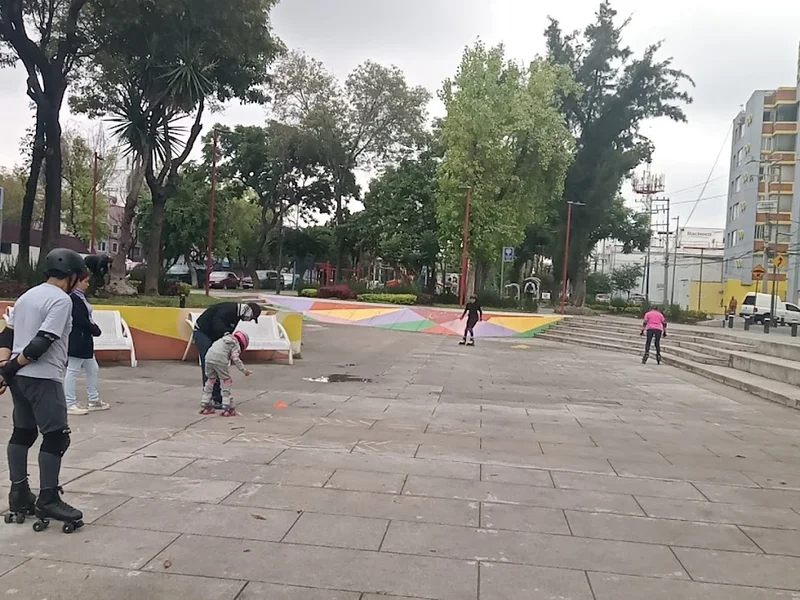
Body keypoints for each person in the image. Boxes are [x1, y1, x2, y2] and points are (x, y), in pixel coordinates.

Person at [2, 248, 87, 532]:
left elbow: (7, 333)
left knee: (23, 433)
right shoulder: (62, 300)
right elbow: (43, 341)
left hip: (19, 378)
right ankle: (48, 498)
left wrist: (5, 367)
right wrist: (12, 367)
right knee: (56, 437)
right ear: (72, 276)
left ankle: (18, 494)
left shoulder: (27, 296)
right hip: (42, 376)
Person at [193, 302, 261, 408]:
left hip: (212, 336)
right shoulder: (229, 309)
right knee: (210, 364)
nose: (249, 319)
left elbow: (227, 332)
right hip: (202, 332)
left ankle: (215, 397)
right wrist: (225, 333)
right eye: (251, 317)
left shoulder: (236, 316)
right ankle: (211, 397)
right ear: (247, 310)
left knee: (217, 365)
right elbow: (217, 322)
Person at [64, 271, 109, 416]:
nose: (87, 285)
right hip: (78, 338)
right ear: (77, 282)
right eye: (85, 281)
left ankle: (93, 399)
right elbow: (80, 319)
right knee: (73, 369)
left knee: (92, 368)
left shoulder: (80, 297)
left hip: (84, 339)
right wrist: (94, 329)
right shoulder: (73, 299)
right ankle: (69, 402)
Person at [200, 331, 252, 417]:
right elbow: (235, 358)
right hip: (220, 359)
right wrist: (244, 370)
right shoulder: (235, 344)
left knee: (210, 379)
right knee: (226, 380)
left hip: (208, 357)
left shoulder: (222, 339)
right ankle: (227, 406)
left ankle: (205, 403)